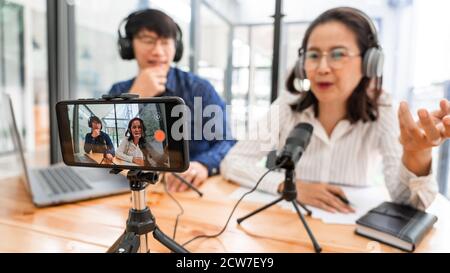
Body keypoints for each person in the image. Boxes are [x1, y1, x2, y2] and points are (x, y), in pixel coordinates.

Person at [221, 7, 450, 212]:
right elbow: (233, 163)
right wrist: (289, 186)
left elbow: (410, 204)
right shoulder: (287, 106)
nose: (322, 68)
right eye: (313, 55)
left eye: (338, 54)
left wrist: (416, 155)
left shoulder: (383, 111)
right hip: (287, 227)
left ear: (369, 63)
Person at [109, 9, 235, 191]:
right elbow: (109, 151)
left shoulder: (199, 89)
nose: (159, 51)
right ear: (128, 45)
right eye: (148, 41)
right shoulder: (119, 91)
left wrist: (203, 164)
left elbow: (226, 141)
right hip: (133, 190)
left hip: (188, 189)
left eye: (166, 42)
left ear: (176, 48)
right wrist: (136, 97)